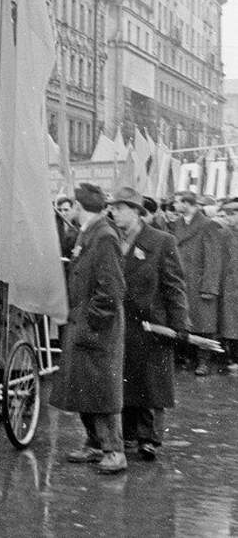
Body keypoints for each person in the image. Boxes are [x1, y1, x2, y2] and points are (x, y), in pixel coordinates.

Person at [49, 182, 127, 474]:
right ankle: (94, 444)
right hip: (83, 323)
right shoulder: (89, 232)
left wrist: (90, 322)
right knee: (84, 388)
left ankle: (114, 451)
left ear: (80, 207)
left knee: (102, 392)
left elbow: (112, 289)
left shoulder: (104, 236)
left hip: (97, 327)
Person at [108, 186, 189, 461]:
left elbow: (174, 285)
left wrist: (179, 326)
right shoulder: (112, 238)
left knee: (152, 383)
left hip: (153, 323)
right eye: (113, 208)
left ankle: (150, 438)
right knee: (127, 378)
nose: (113, 212)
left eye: (119, 208)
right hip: (123, 321)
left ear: (136, 212)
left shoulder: (161, 241)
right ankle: (130, 433)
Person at [173, 191, 224, 376]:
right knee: (187, 322)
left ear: (187, 203)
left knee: (204, 324)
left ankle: (203, 361)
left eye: (177, 202)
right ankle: (189, 358)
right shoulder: (178, 223)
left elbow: (213, 259)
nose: (174, 206)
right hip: (182, 280)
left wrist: (210, 287)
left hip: (200, 282)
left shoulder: (208, 225)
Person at [215, 197, 238, 372]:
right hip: (228, 284)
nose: (229, 217)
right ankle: (231, 357)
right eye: (228, 213)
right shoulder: (223, 233)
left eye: (233, 213)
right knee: (229, 323)